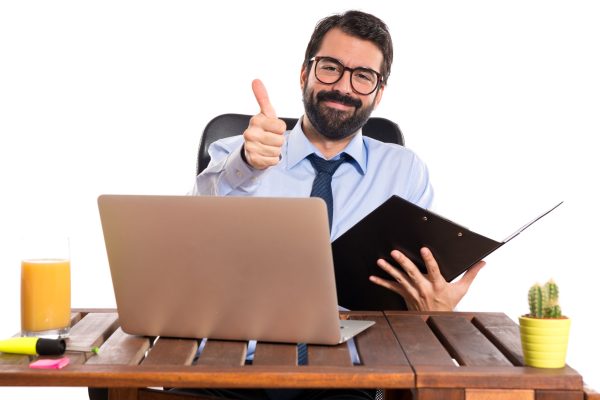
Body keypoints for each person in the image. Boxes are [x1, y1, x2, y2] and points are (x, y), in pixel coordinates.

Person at [90, 10, 484, 400]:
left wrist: (434, 307)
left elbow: (415, 287)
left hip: (347, 376)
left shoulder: (404, 171)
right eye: (330, 67)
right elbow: (187, 235)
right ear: (304, 74)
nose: (344, 87)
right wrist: (245, 165)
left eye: (363, 76)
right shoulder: (236, 153)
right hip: (230, 366)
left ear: (378, 92)